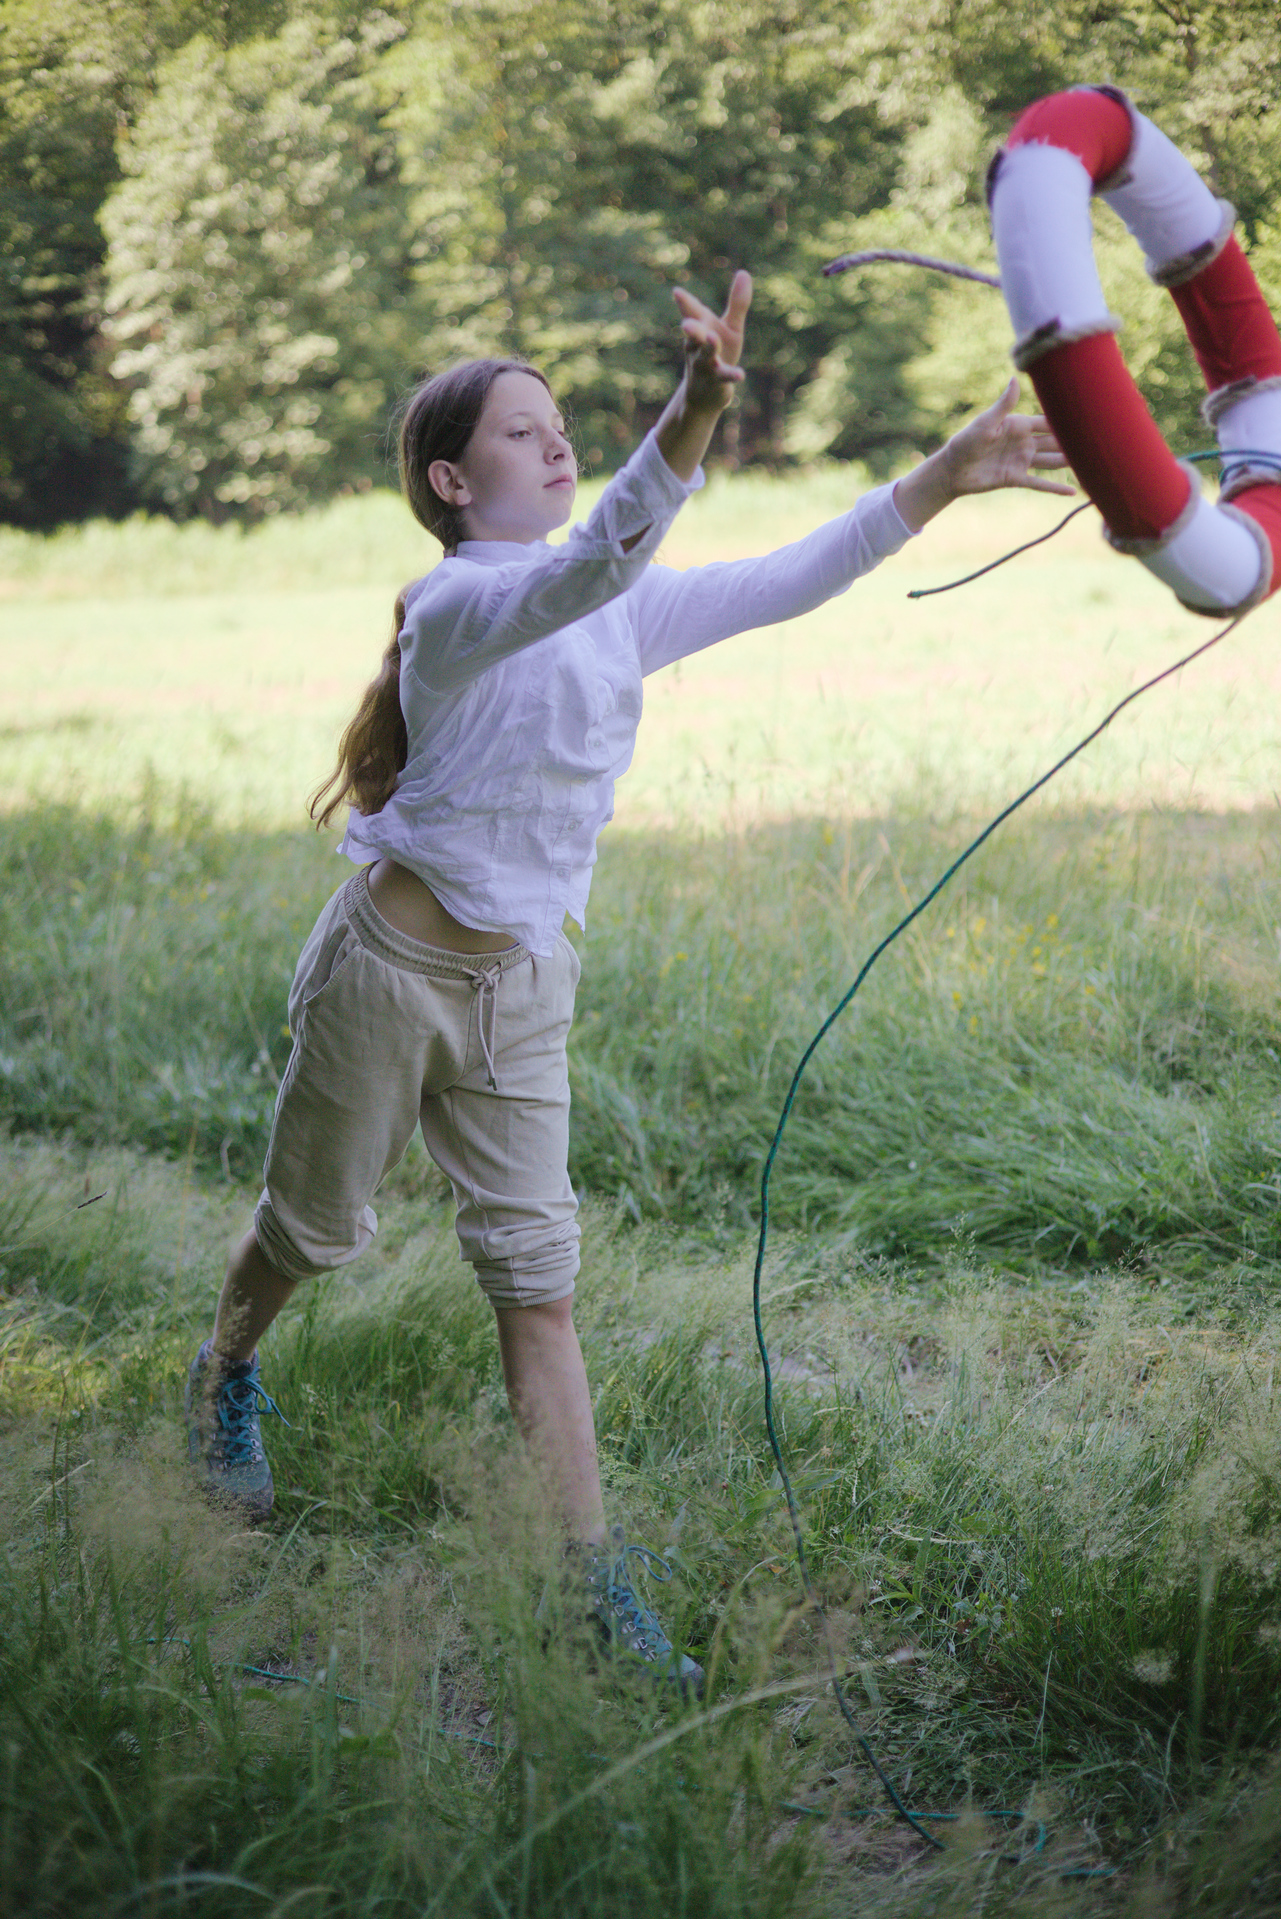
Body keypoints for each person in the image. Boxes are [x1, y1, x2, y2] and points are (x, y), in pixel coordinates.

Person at [185, 271, 1070, 1693]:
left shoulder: (613, 607)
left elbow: (786, 578)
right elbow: (592, 561)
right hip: (387, 978)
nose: (553, 440)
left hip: (523, 989)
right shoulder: (455, 607)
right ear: (450, 481)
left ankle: (586, 1584)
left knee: (538, 1286)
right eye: (518, 429)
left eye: (557, 423)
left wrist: (942, 478)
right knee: (309, 1230)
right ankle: (227, 1370)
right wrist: (694, 410)